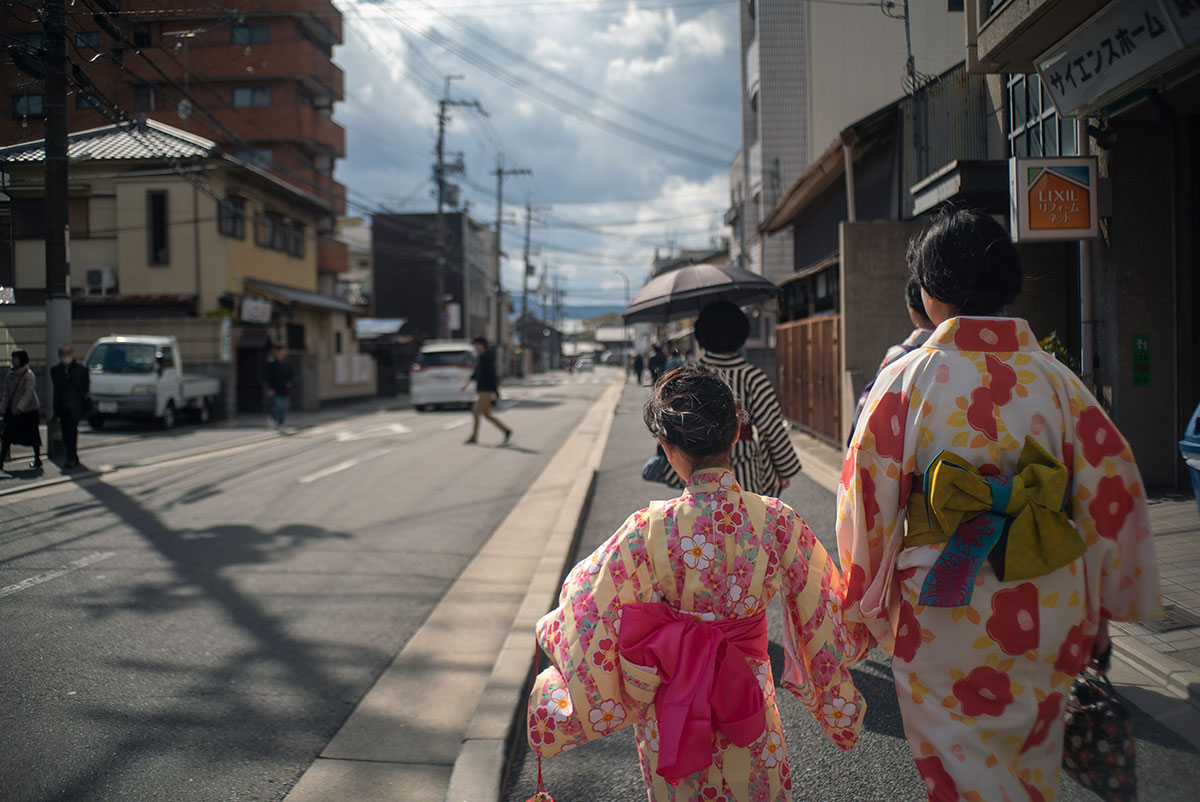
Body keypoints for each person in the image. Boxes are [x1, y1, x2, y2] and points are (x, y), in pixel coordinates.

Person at [836, 207, 1160, 802]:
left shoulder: (905, 381)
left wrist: (865, 606)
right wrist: (1105, 610)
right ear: (1008, 287)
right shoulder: (1058, 381)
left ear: (929, 292)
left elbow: (866, 500)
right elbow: (1112, 494)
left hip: (944, 609)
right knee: (1032, 769)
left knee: (960, 776)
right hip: (1050, 601)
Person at [527, 365, 867, 801]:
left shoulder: (648, 529)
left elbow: (587, 604)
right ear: (735, 434)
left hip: (673, 705)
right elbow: (824, 606)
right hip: (748, 693)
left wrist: (552, 631)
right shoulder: (775, 519)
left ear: (669, 449)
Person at [688, 301, 800, 496]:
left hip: (698, 469)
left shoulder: (690, 376)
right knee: (747, 519)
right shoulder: (751, 376)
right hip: (744, 466)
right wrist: (784, 469)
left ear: (701, 336)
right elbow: (771, 425)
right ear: (741, 335)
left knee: (701, 522)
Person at [846, 276, 935, 445]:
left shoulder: (898, 356)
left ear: (911, 309)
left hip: (902, 452)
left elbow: (868, 405)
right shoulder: (964, 354)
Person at [461, 336, 511, 445]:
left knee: (476, 411)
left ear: (481, 345)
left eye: (476, 345)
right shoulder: (481, 357)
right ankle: (506, 430)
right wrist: (466, 383)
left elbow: (492, 376)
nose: (475, 347)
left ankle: (473, 436)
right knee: (487, 414)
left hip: (486, 390)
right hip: (481, 389)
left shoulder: (487, 357)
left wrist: (496, 391)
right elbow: (475, 374)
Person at [1, 350, 43, 471]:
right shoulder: (10, 375)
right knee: (7, 436)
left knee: (33, 435)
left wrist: (20, 407)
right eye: (13, 358)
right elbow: (7, 394)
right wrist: (3, 409)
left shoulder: (28, 374)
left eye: (16, 358)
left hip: (28, 411)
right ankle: (1, 460)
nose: (14, 360)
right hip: (13, 410)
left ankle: (37, 458)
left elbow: (28, 393)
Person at [50, 344, 90, 470]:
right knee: (66, 433)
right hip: (62, 407)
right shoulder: (55, 370)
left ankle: (71, 458)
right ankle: (73, 457)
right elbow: (56, 389)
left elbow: (85, 387)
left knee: (72, 433)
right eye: (63, 354)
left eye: (68, 353)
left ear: (72, 354)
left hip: (75, 406)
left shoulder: (80, 369)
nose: (66, 356)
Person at [264, 345, 294, 430]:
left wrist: (290, 382)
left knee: (284, 408)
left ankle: (281, 424)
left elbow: (291, 375)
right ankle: (272, 417)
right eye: (283, 350)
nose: (285, 352)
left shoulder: (287, 363)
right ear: (278, 352)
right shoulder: (273, 363)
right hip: (276, 389)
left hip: (285, 389)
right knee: (279, 405)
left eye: (285, 351)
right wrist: (270, 388)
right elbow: (269, 377)